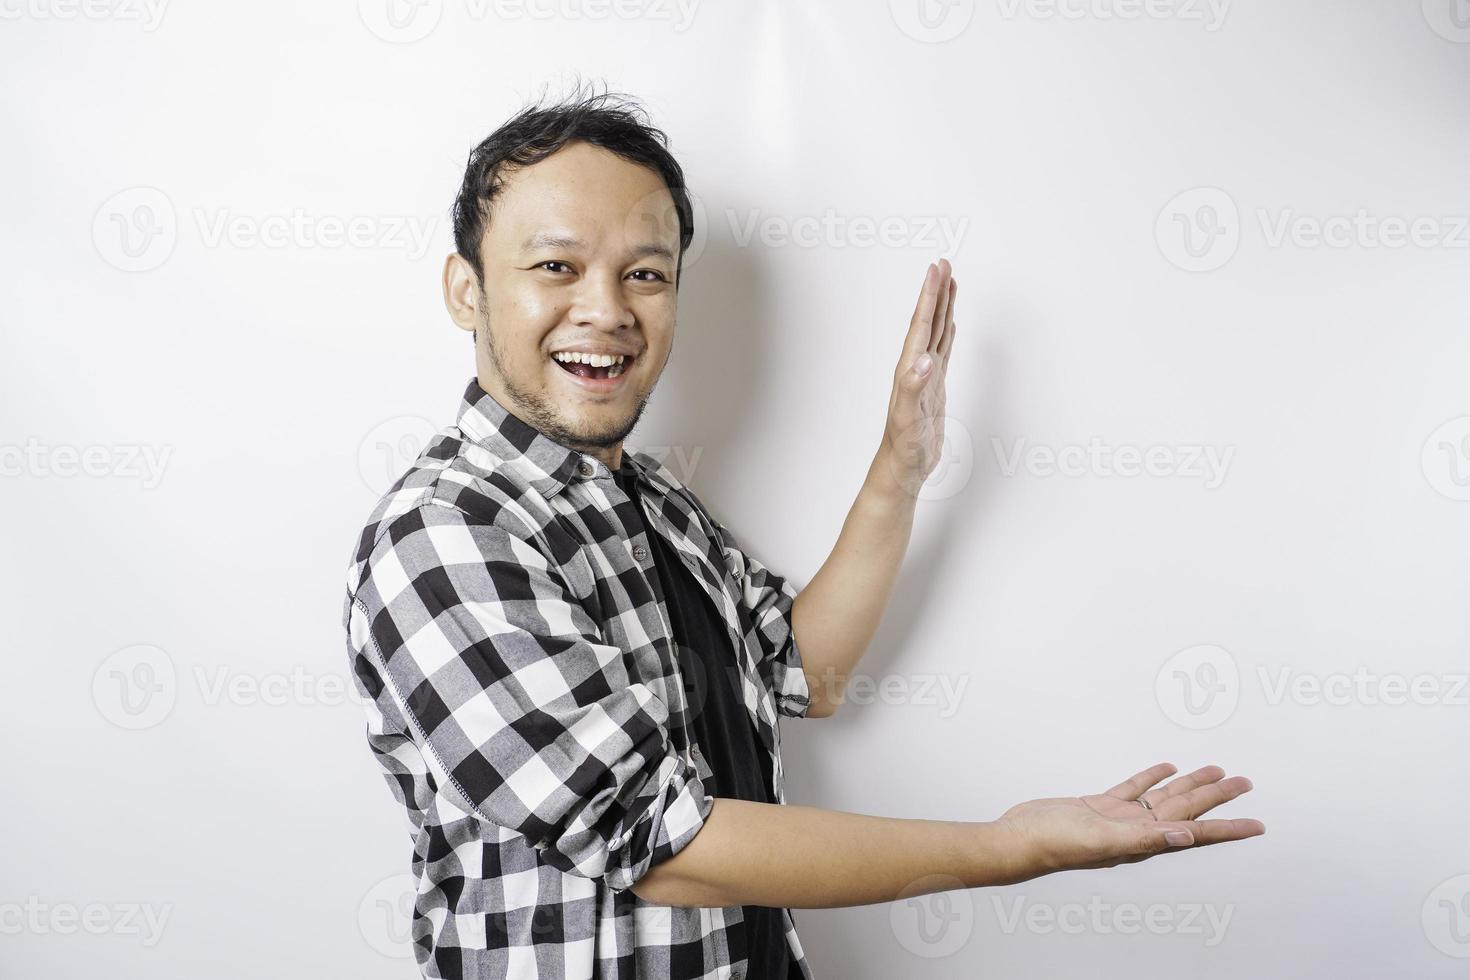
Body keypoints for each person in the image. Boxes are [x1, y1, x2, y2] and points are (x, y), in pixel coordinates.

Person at [340, 83, 1265, 980]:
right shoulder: (444, 535)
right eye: (555, 266)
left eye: (646, 273)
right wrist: (1008, 848)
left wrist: (902, 466)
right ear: (465, 290)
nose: (608, 309)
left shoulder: (652, 498)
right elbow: (655, 840)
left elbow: (802, 670)